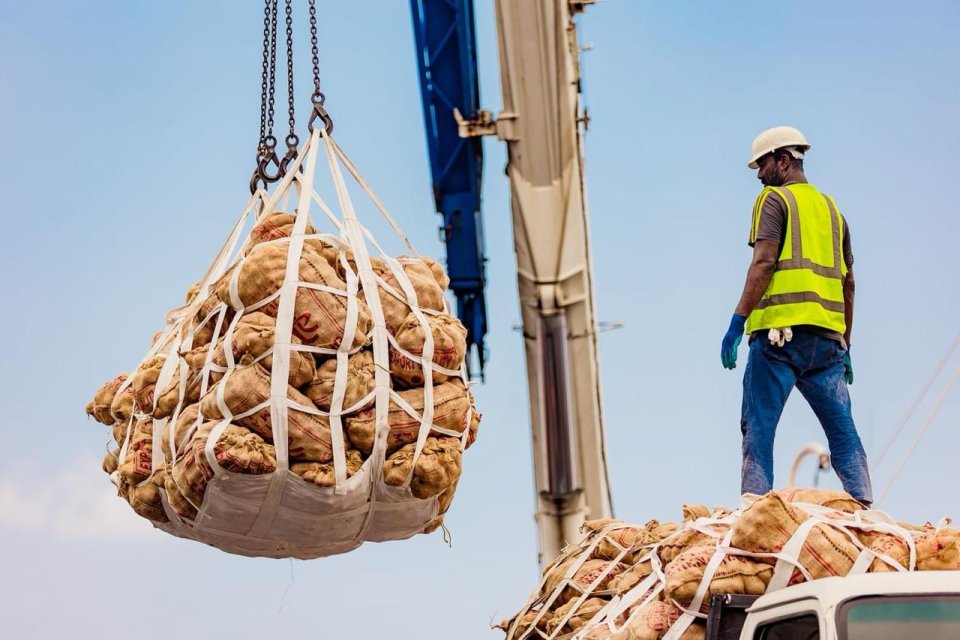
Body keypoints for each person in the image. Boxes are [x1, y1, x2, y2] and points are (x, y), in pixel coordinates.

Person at [720, 126, 873, 506]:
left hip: (779, 340)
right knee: (844, 433)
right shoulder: (833, 211)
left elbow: (765, 260)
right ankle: (865, 505)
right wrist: (845, 343)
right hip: (827, 346)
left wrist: (737, 322)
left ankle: (754, 508)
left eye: (762, 164)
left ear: (784, 161)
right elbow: (848, 283)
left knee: (758, 426)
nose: (758, 175)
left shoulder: (774, 200)